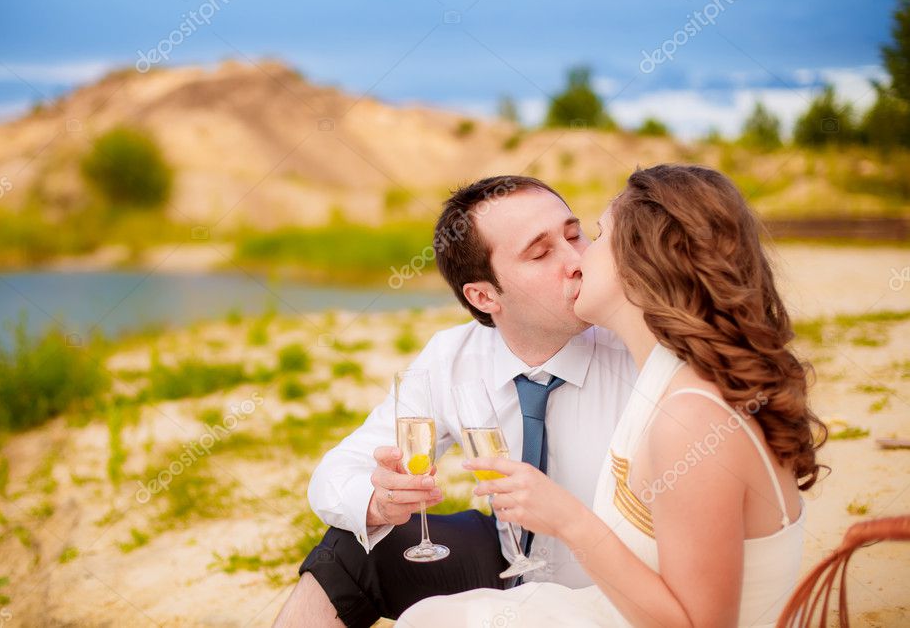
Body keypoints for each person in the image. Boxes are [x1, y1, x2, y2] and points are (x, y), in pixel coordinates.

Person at [397, 163, 826, 627]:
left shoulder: (694, 419)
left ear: (644, 262)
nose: (578, 259)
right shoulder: (669, 379)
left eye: (594, 235)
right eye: (545, 252)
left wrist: (567, 520)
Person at [273, 176, 638, 627]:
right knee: (349, 548)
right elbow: (337, 470)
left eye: (573, 234)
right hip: (510, 564)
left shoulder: (636, 343)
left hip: (623, 588)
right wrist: (377, 498)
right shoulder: (452, 357)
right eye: (541, 252)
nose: (577, 260)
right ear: (484, 296)